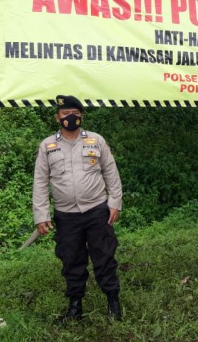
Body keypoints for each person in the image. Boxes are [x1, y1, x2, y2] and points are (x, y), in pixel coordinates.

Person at [32, 95, 124, 321]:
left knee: (104, 256)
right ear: (57, 118)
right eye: (65, 114)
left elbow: (111, 173)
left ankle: (113, 301)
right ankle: (75, 306)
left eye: (75, 113)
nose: (70, 117)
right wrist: (41, 215)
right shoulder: (47, 146)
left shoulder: (96, 140)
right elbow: (40, 181)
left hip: (96, 211)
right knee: (71, 259)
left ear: (81, 115)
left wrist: (115, 203)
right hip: (66, 216)